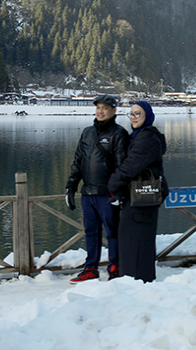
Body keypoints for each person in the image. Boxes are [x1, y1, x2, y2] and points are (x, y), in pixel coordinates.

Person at [65, 95, 129, 283]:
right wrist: (71, 187)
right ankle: (90, 269)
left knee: (113, 232)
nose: (101, 111)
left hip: (107, 195)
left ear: (114, 111)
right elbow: (78, 162)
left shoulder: (119, 134)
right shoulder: (87, 133)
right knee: (91, 232)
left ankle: (115, 268)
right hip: (88, 194)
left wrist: (118, 192)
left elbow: (121, 166)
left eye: (105, 108)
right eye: (98, 107)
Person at [108, 101, 168, 283]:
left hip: (142, 199)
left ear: (147, 116)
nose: (134, 118)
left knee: (136, 242)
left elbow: (131, 166)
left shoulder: (147, 138)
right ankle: (137, 280)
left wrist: (111, 185)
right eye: (131, 114)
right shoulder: (137, 136)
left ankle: (137, 283)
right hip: (137, 197)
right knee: (133, 241)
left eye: (138, 114)